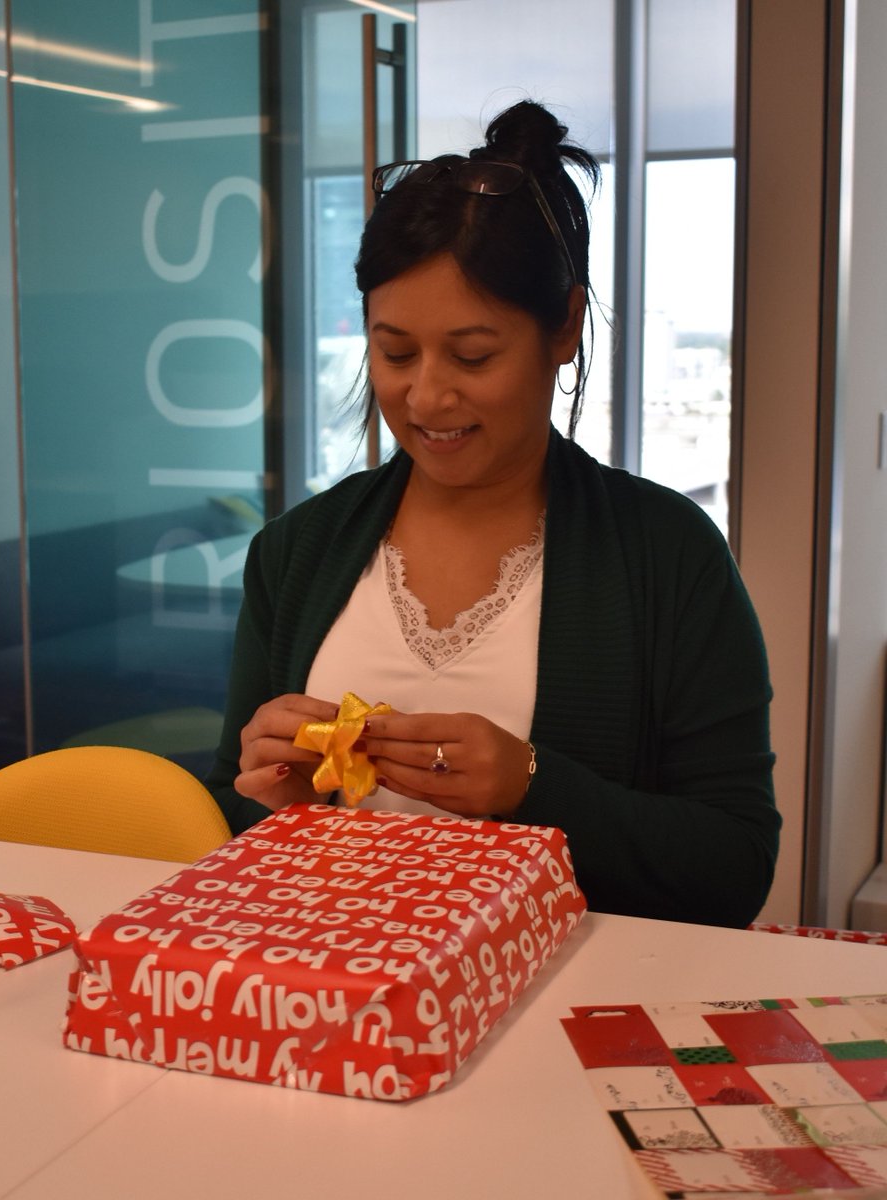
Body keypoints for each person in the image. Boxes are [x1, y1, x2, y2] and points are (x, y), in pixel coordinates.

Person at [204, 100, 779, 928]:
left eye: (473, 355)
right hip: (329, 1005)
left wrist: (536, 788)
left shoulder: (666, 556)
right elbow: (228, 825)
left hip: (558, 1024)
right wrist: (271, 801)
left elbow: (734, 867)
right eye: (394, 351)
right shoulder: (299, 552)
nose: (426, 395)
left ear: (565, 328)